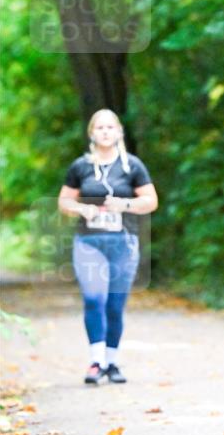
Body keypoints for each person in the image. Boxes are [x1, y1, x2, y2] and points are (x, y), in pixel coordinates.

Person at [58, 109, 158, 385]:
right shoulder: (81, 166)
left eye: (109, 127)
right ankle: (96, 361)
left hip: (123, 244)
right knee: (93, 298)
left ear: (118, 132)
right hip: (89, 242)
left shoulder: (132, 166)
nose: (104, 131)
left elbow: (151, 201)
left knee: (115, 305)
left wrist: (125, 204)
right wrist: (81, 209)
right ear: (92, 133)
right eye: (99, 127)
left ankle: (112, 363)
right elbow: (63, 202)